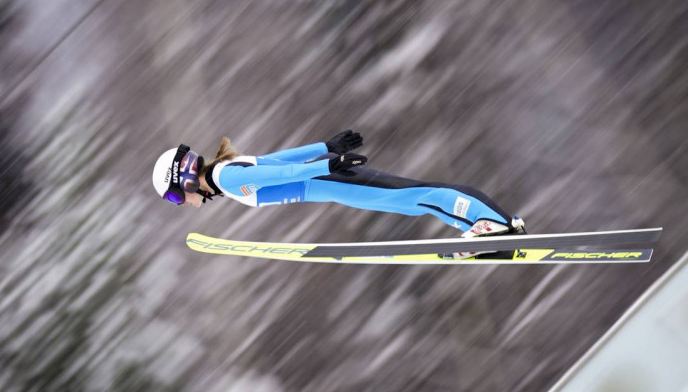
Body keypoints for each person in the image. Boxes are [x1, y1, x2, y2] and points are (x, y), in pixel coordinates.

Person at [152, 130, 525, 258]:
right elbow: (276, 160)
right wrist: (325, 146)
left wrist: (327, 164)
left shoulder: (226, 179)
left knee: (416, 196)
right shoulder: (224, 173)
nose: (180, 204)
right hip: (330, 183)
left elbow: (284, 172)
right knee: (413, 200)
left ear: (184, 178)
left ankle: (492, 225)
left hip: (331, 183)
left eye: (173, 198)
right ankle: (491, 229)